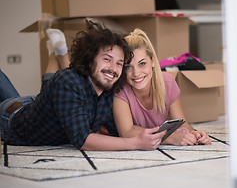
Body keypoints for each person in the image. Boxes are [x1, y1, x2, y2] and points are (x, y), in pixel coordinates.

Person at [0, 22, 165, 151]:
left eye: (119, 63)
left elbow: (119, 131)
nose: (114, 69)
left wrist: (159, 134)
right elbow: (83, 139)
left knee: (46, 93)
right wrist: (136, 143)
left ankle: (54, 53)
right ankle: (57, 52)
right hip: (11, 117)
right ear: (90, 58)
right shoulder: (67, 81)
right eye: (107, 59)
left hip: (42, 106)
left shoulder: (108, 89)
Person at [113, 28, 212, 146]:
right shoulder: (121, 89)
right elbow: (127, 132)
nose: (136, 73)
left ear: (153, 61)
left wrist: (195, 134)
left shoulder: (167, 82)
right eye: (128, 67)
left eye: (142, 64)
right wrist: (167, 138)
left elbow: (182, 123)